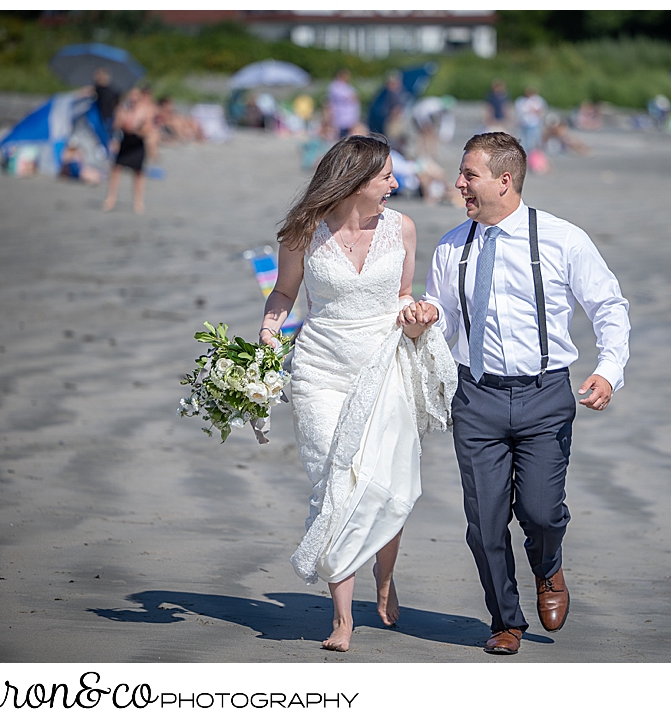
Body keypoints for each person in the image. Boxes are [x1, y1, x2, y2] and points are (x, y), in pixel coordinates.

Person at [405, 132, 630, 655]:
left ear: (504, 181)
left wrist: (609, 370)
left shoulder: (562, 239)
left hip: (545, 395)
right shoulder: (451, 245)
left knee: (543, 512)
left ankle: (548, 567)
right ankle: (505, 618)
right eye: (461, 174)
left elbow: (608, 305)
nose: (458, 182)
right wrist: (425, 316)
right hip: (476, 397)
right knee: (483, 524)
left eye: (469, 174)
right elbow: (441, 318)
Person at [256, 134, 456, 652]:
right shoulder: (304, 232)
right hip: (320, 372)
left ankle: (383, 579)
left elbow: (405, 296)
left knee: (386, 485)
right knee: (334, 484)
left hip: (384, 368)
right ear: (354, 180)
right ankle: (342, 618)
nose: (396, 183)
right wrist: (269, 328)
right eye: (386, 175)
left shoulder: (403, 228)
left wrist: (419, 317)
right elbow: (284, 291)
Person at [103, 88, 155, 214]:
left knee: (138, 173)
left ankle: (138, 202)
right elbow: (115, 127)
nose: (132, 98)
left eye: (135, 96)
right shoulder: (123, 108)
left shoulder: (145, 109)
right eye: (131, 95)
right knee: (116, 169)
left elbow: (148, 130)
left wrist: (135, 128)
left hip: (137, 143)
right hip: (125, 141)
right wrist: (122, 121)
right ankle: (111, 198)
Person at [326, 69, 361, 139]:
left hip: (350, 117)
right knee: (340, 136)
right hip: (341, 116)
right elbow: (349, 97)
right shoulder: (335, 86)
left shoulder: (347, 86)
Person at [514, 86, 547, 153]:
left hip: (535, 123)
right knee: (524, 140)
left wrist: (535, 111)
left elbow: (542, 111)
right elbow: (519, 111)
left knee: (534, 140)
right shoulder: (521, 100)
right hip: (524, 123)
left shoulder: (538, 100)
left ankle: (533, 154)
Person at [93, 68, 120, 134]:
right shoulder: (97, 89)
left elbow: (117, 107)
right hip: (99, 118)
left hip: (108, 118)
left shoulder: (113, 92)